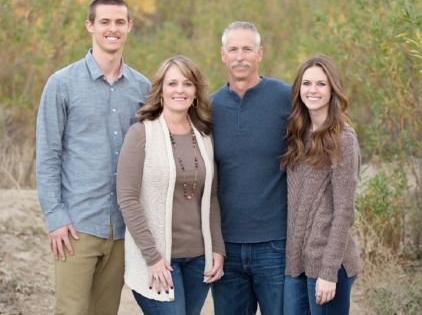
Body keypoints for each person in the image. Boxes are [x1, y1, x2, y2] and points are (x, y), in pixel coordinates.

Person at [36, 0, 150, 315]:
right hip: (76, 227)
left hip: (121, 229)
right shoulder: (62, 84)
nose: (112, 29)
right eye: (104, 22)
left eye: (119, 22)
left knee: (105, 311)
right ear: (90, 26)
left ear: (129, 26)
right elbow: (48, 154)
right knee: (71, 310)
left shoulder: (142, 88)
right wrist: (55, 217)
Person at [116, 55, 225, 315]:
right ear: (161, 90)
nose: (180, 90)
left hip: (199, 260)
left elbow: (210, 197)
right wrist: (152, 257)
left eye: (187, 84)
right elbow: (127, 198)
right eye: (172, 83)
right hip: (158, 260)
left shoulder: (204, 135)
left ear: (195, 91)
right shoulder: (141, 134)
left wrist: (218, 249)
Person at [211, 21, 291, 315]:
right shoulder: (210, 107)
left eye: (247, 49)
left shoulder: (286, 98)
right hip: (227, 247)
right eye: (233, 49)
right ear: (223, 54)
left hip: (275, 245)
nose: (240, 56)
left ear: (260, 53)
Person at [282, 55, 361, 314]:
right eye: (306, 83)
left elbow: (344, 212)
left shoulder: (342, 139)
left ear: (332, 89)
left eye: (321, 84)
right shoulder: (298, 135)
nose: (312, 90)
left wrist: (328, 272)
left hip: (329, 266)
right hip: (296, 264)